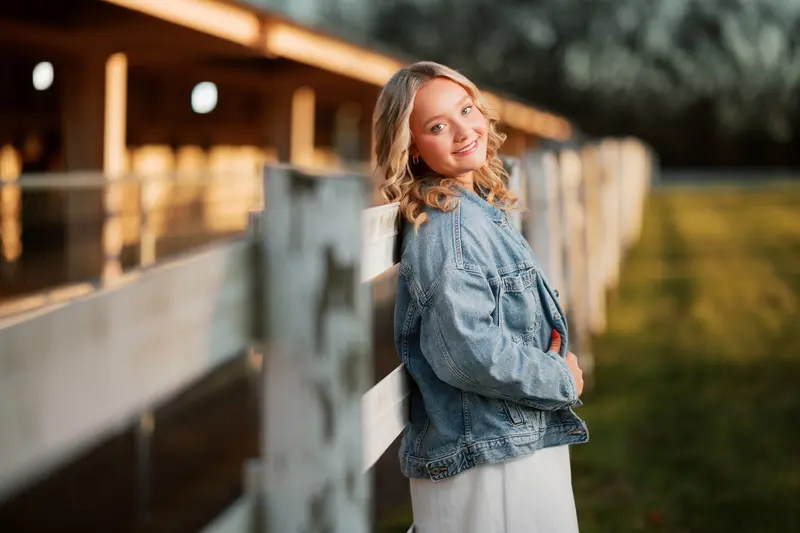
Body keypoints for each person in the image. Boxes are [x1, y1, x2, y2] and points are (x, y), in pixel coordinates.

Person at [372, 61, 589, 533]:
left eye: (465, 110)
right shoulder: (448, 229)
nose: (462, 131)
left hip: (509, 443)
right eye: (437, 126)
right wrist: (559, 378)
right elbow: (467, 351)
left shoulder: (474, 211)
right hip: (492, 463)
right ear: (412, 148)